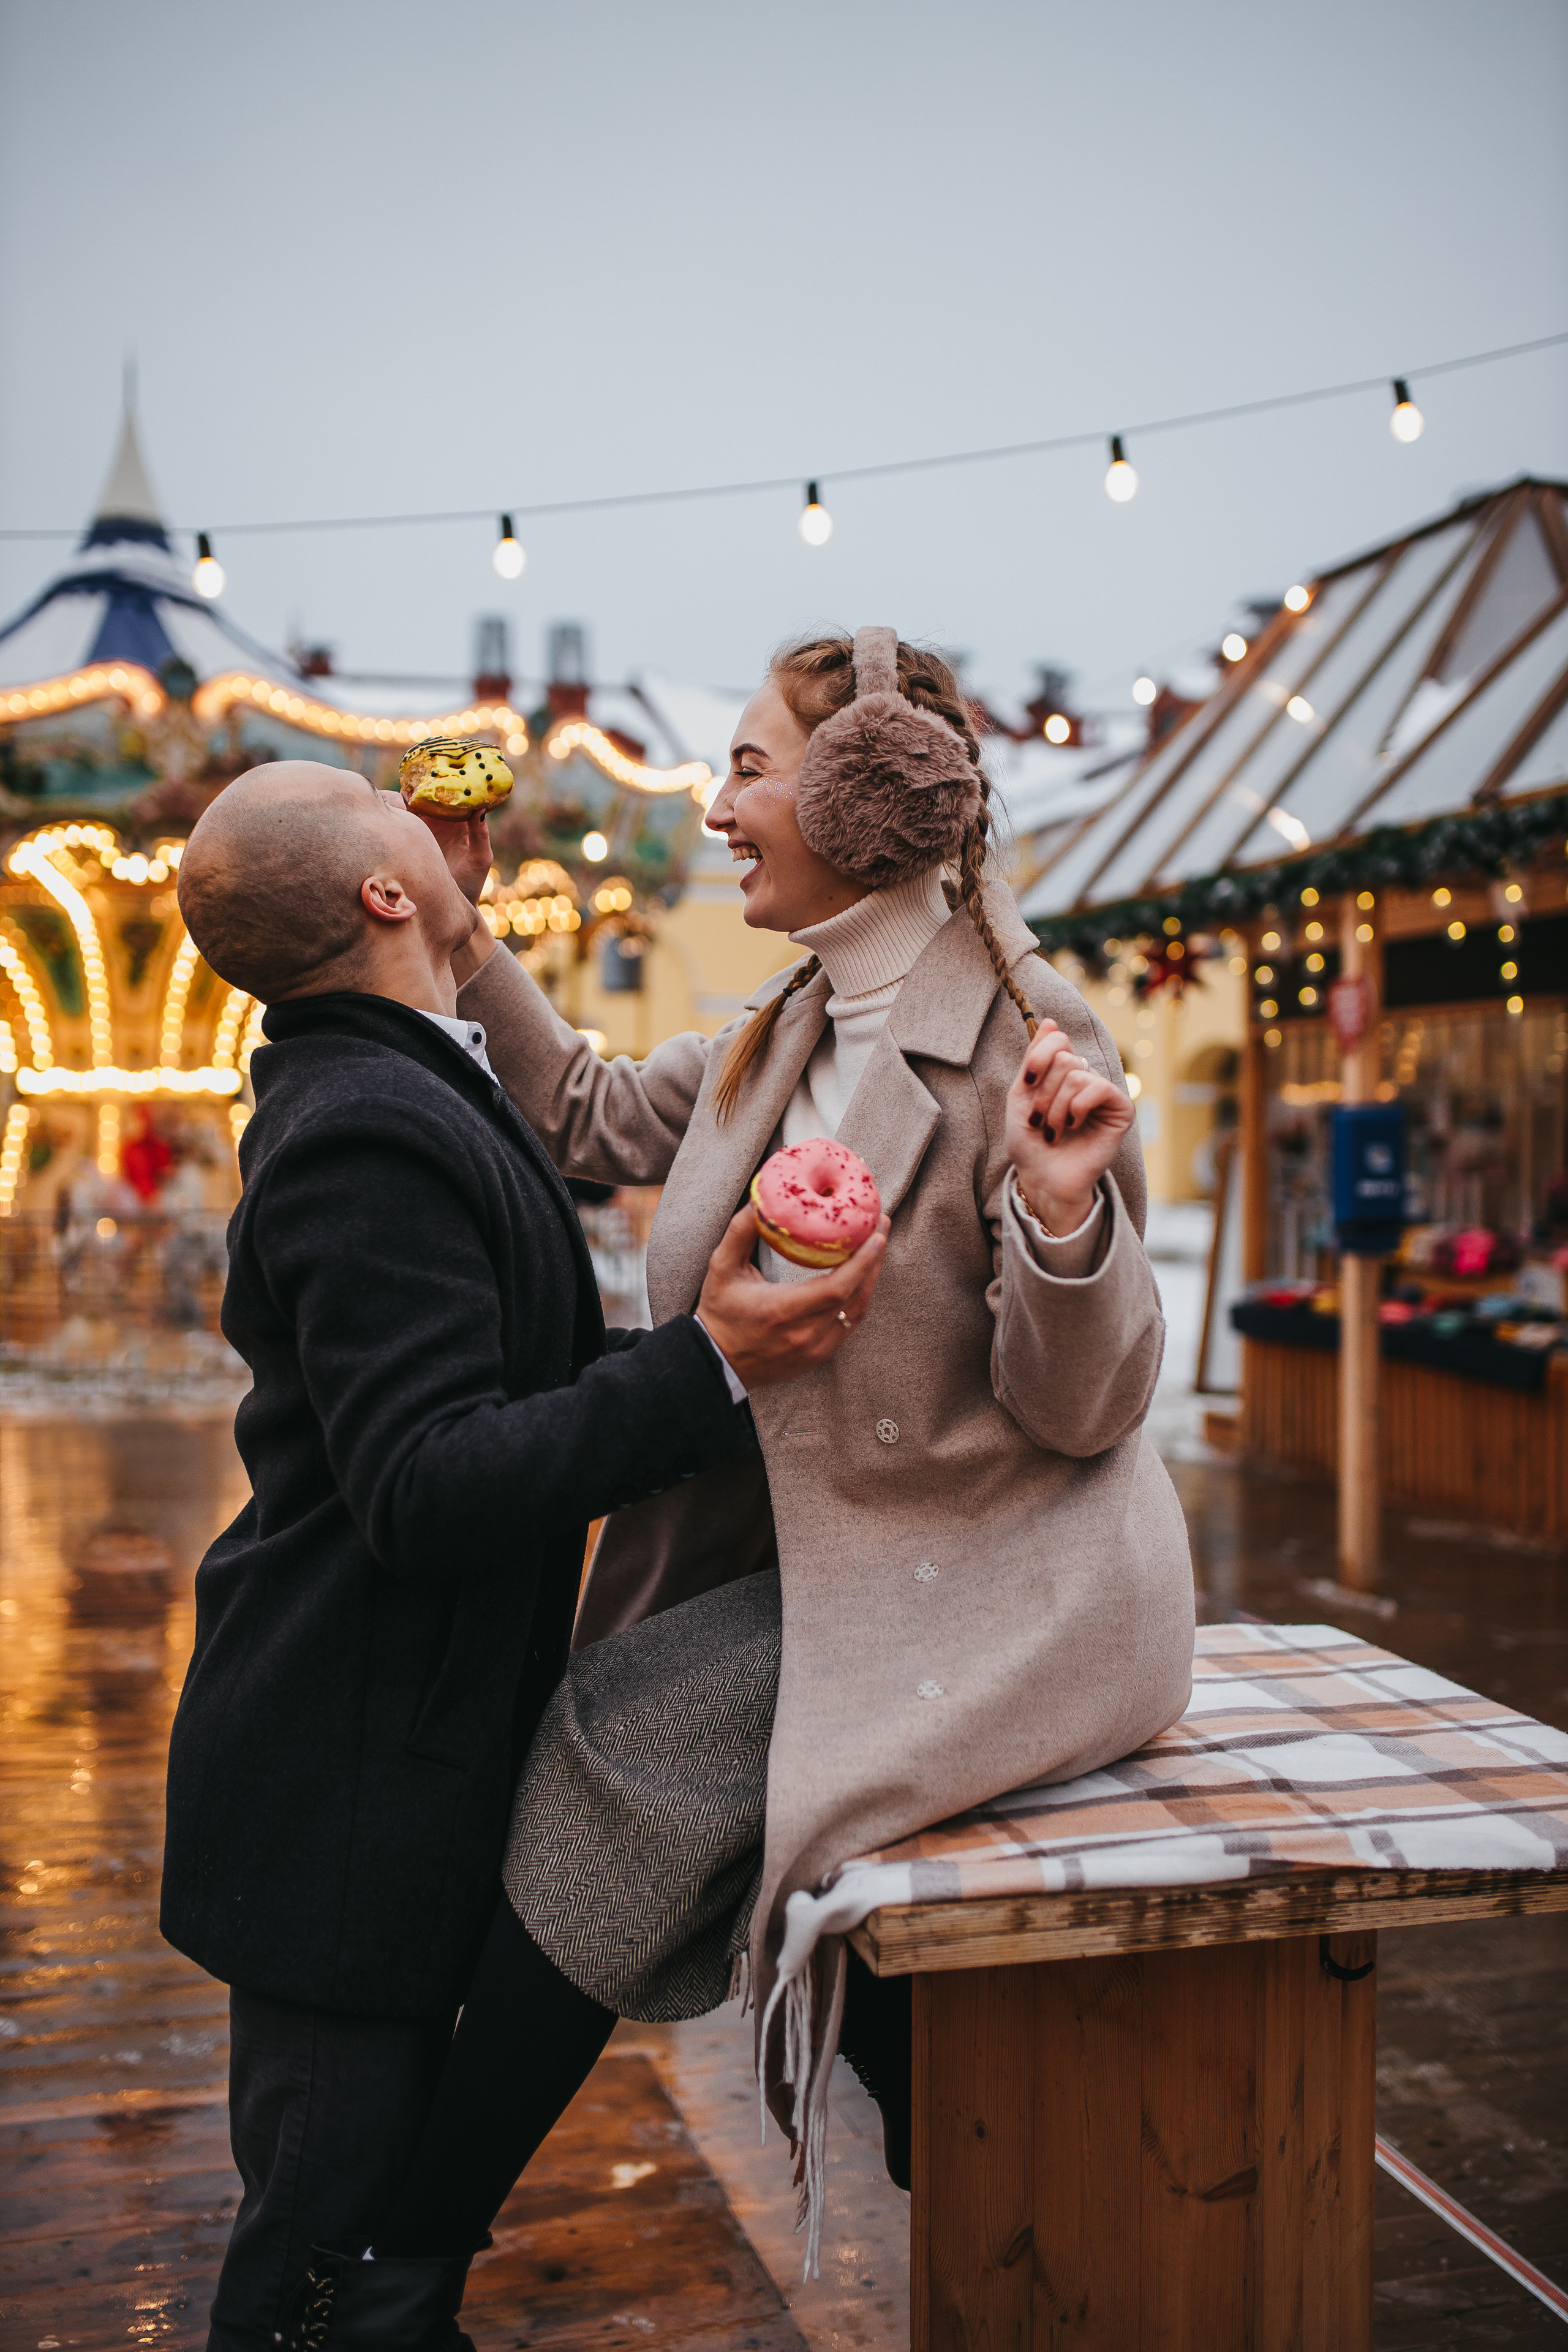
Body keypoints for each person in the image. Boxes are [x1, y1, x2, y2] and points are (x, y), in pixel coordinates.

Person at [340, 630, 1194, 2327]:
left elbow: (1086, 1408)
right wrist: (458, 918)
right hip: (823, 1576)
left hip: (1000, 1583)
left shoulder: (1033, 1034)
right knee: (781, 1856)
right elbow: (578, 1107)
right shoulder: (782, 1023)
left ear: (871, 798)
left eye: (747, 768)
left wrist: (1064, 1208)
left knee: (622, 1751)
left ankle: (406, 2262)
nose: (717, 807)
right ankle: (1015, 2204)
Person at [159, 760, 886, 2352]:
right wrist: (710, 1364)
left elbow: (535, 1182)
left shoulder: (402, 1072)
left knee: (368, 2277)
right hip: (339, 1785)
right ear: (381, 896)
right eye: (379, 807)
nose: (412, 802)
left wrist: (459, 906)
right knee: (317, 2276)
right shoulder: (365, 1129)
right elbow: (424, 1480)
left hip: (386, 1759)